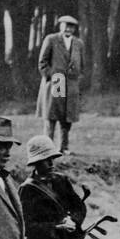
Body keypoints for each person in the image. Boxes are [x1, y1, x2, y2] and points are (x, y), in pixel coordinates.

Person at [36, 15, 85, 155]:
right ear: (60, 26)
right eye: (66, 25)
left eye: (72, 26)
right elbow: (42, 63)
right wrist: (52, 76)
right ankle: (48, 148)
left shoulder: (78, 43)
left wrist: (77, 79)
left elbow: (82, 65)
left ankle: (64, 148)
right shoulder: (51, 39)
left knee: (67, 117)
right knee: (52, 116)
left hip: (71, 84)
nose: (68, 29)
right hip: (56, 82)